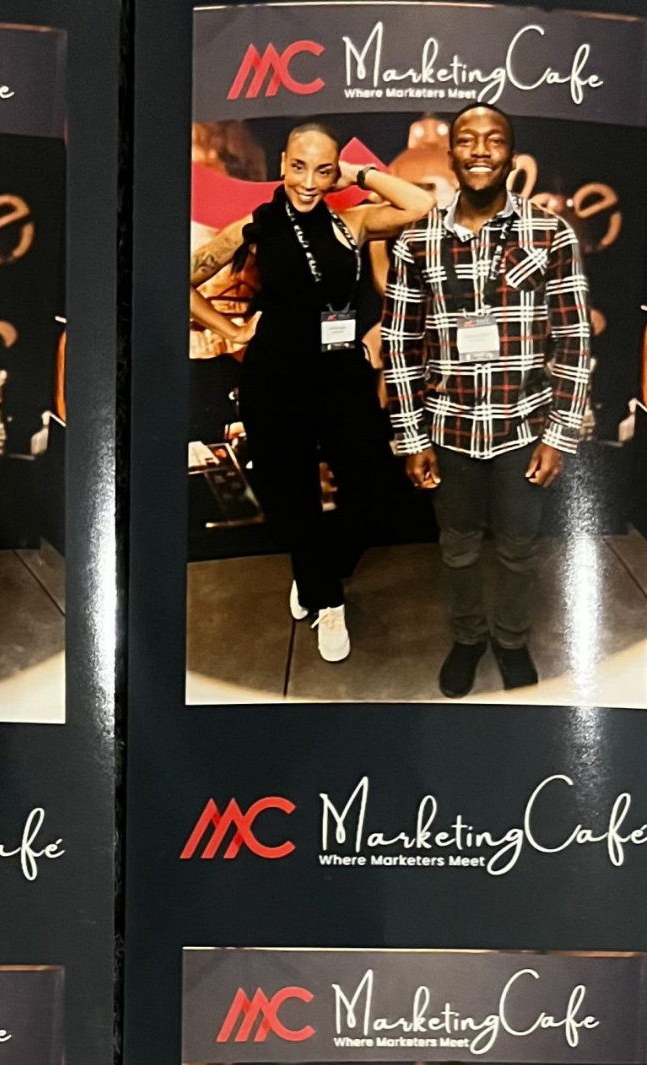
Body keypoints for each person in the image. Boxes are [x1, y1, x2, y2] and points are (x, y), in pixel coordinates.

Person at [189, 122, 435, 661]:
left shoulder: (352, 223)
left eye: (322, 170)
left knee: (375, 491)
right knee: (293, 495)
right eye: (298, 166)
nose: (307, 181)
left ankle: (316, 568)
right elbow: (183, 281)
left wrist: (357, 175)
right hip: (275, 378)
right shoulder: (254, 226)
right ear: (282, 162)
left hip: (341, 374)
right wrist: (232, 331)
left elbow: (420, 205)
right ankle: (327, 599)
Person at [382, 102, 592, 698]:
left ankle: (512, 639)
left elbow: (573, 337)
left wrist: (559, 434)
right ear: (451, 155)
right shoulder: (417, 241)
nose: (479, 150)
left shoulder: (550, 233)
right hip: (448, 431)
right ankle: (469, 637)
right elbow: (400, 345)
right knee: (457, 549)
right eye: (467, 140)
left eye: (493, 139)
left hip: (524, 428)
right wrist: (412, 438)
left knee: (520, 551)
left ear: (510, 154)